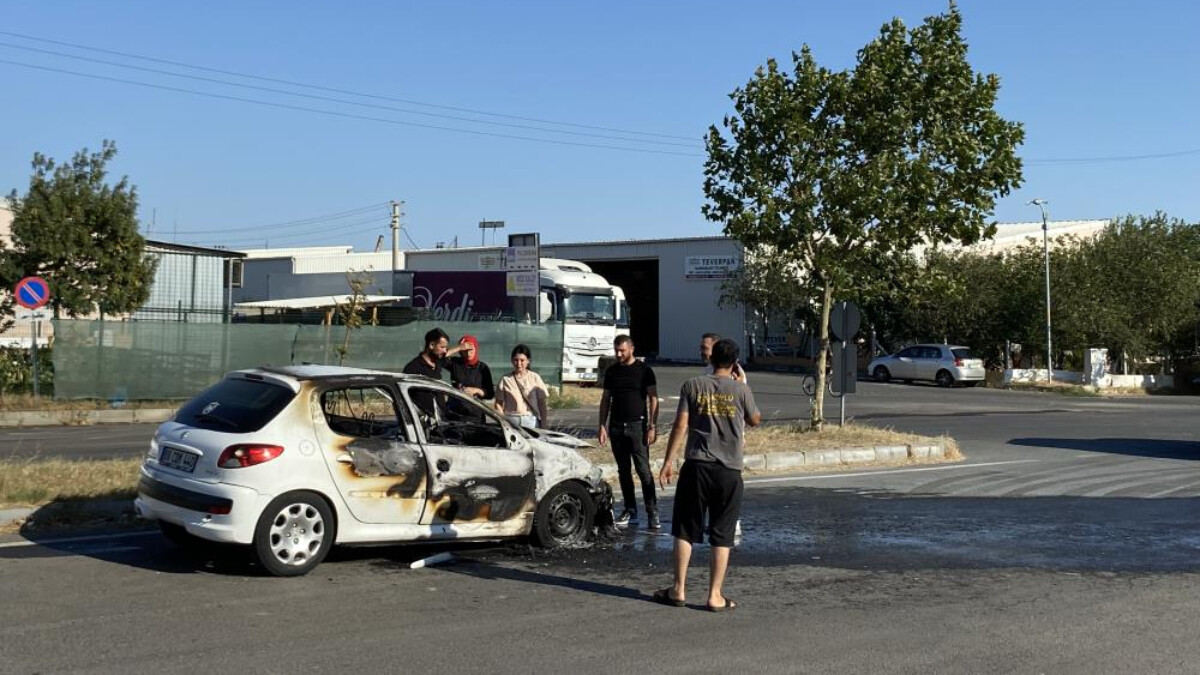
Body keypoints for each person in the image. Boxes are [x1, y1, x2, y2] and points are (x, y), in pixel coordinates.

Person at [655, 338, 761, 612]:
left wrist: (668, 461)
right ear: (735, 362)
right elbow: (754, 419)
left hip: (697, 466)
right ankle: (715, 595)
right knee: (722, 532)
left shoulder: (692, 385)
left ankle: (678, 589)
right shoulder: (741, 390)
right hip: (729, 470)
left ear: (712, 358)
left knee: (685, 529)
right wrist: (744, 383)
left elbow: (681, 425)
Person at [598, 334, 659, 529]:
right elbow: (606, 399)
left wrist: (652, 426)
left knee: (643, 470)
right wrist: (602, 425)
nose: (618, 354)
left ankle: (652, 511)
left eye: (622, 350)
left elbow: (653, 398)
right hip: (617, 426)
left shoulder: (644, 371)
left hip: (637, 427)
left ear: (631, 349)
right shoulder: (612, 372)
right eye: (616, 350)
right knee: (623, 471)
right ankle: (630, 509)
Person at [495, 344, 549, 429]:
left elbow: (542, 403)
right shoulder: (505, 379)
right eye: (516, 360)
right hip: (511, 420)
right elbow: (498, 403)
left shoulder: (535, 377)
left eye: (522, 360)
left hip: (531, 420)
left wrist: (544, 423)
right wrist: (503, 421)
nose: (519, 363)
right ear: (512, 361)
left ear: (528, 361)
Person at [448, 335, 495, 402]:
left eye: (471, 350)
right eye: (465, 350)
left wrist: (476, 390)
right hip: (455, 408)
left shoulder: (482, 368)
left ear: (476, 349)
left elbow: (490, 394)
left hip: (475, 409)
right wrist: (458, 347)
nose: (468, 353)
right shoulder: (455, 363)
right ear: (460, 352)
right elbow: (439, 357)